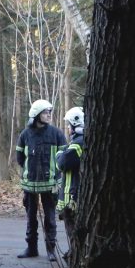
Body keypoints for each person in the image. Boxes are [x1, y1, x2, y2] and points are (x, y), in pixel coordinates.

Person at [16, 99, 67, 261]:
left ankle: (51, 250)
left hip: (51, 185)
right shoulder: (25, 135)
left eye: (49, 112)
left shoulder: (56, 134)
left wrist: (56, 176)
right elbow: (19, 158)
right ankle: (32, 249)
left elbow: (63, 159)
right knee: (31, 219)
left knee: (50, 218)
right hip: (30, 186)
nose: (49, 115)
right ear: (36, 115)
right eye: (45, 112)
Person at [56, 106, 84, 255]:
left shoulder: (78, 144)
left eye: (69, 124)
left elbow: (62, 163)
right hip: (76, 195)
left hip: (72, 197)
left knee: (73, 229)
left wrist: (59, 153)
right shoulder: (80, 141)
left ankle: (75, 255)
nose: (67, 127)